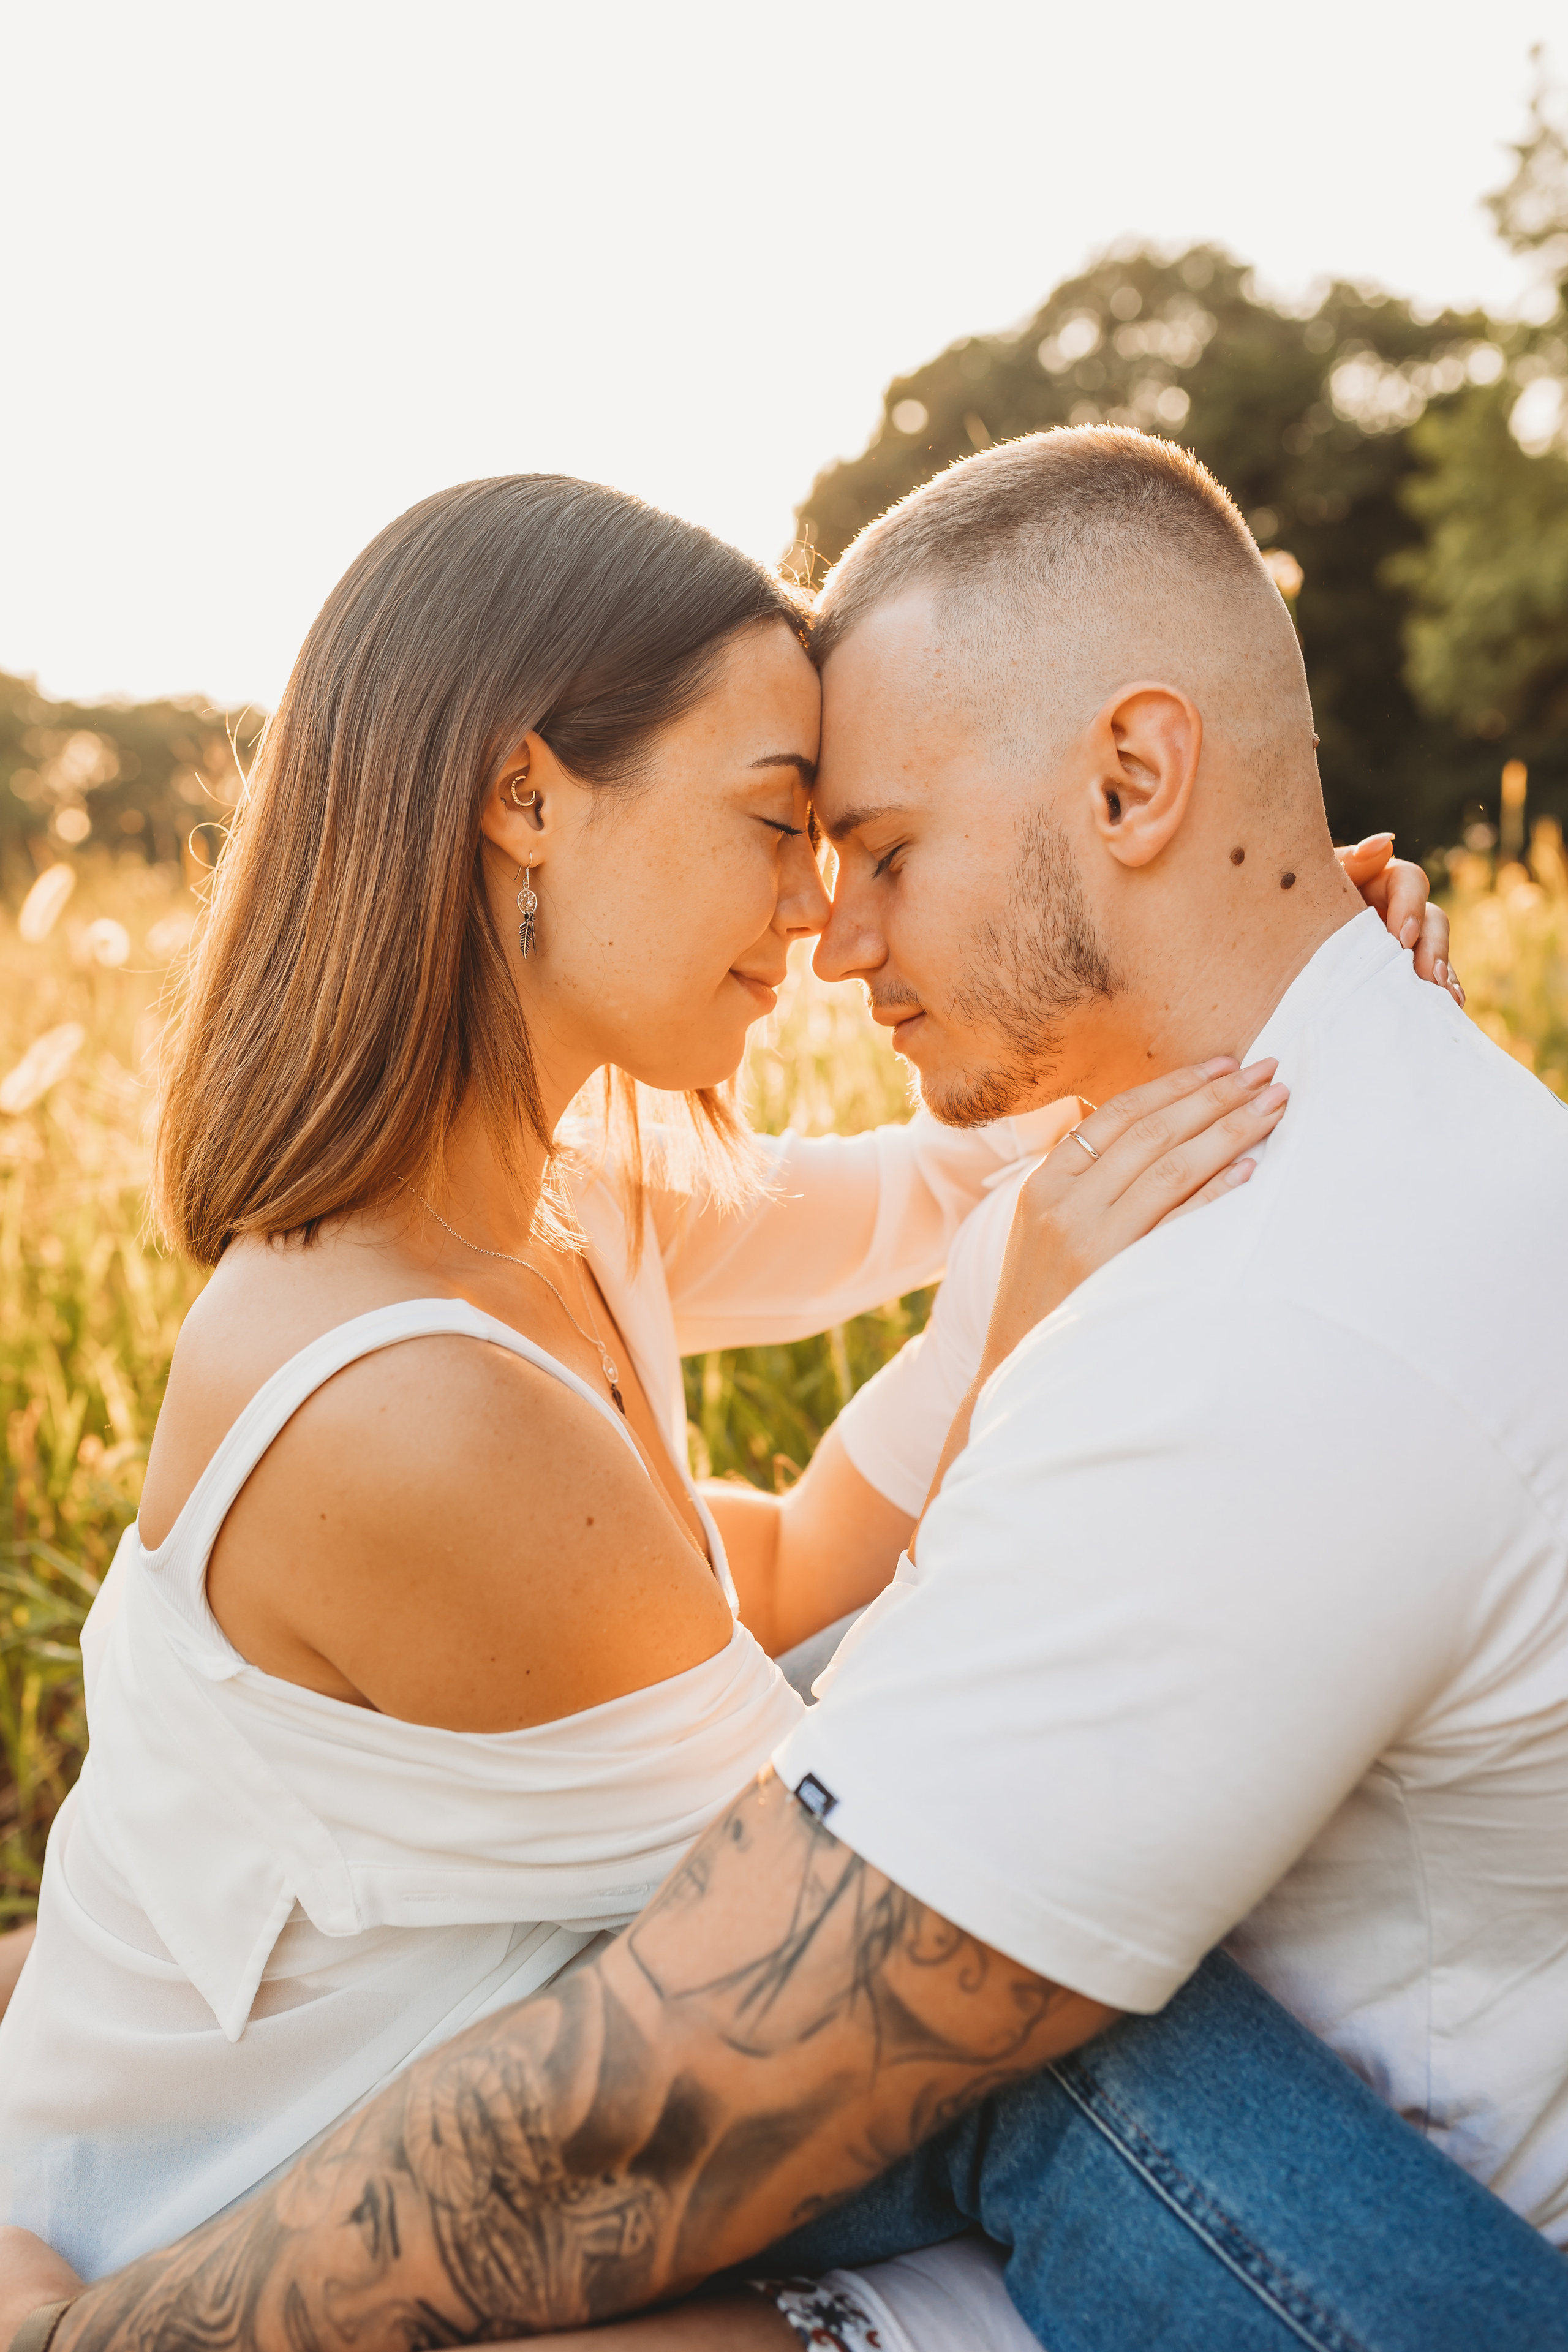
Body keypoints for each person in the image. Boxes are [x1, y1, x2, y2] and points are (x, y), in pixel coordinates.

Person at [1, 443, 1521, 2351]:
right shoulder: (415, 1401)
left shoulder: (564, 1188)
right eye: (786, 820)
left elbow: (904, 1237)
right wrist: (1014, 1337)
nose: (818, 913)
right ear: (525, 799)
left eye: (856, 843)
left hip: (351, 2031)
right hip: (213, 2211)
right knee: (1066, 2005)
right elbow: (848, 1880)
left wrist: (1243, 993)